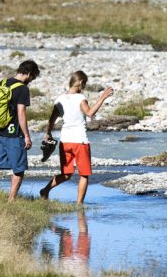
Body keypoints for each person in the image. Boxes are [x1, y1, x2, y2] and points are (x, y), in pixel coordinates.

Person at [40, 71, 114, 205]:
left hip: (65, 141)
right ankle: (79, 205)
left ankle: (45, 190)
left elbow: (50, 122)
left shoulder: (59, 99)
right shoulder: (80, 98)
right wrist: (102, 98)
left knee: (66, 174)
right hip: (80, 141)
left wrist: (48, 134)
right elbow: (90, 113)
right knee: (83, 174)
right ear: (81, 83)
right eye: (84, 84)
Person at [0, 59, 40, 202]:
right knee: (19, 169)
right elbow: (21, 114)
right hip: (14, 135)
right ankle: (11, 200)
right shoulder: (23, 89)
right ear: (29, 74)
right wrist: (26, 135)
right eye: (33, 78)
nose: (31, 81)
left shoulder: (2, 83)